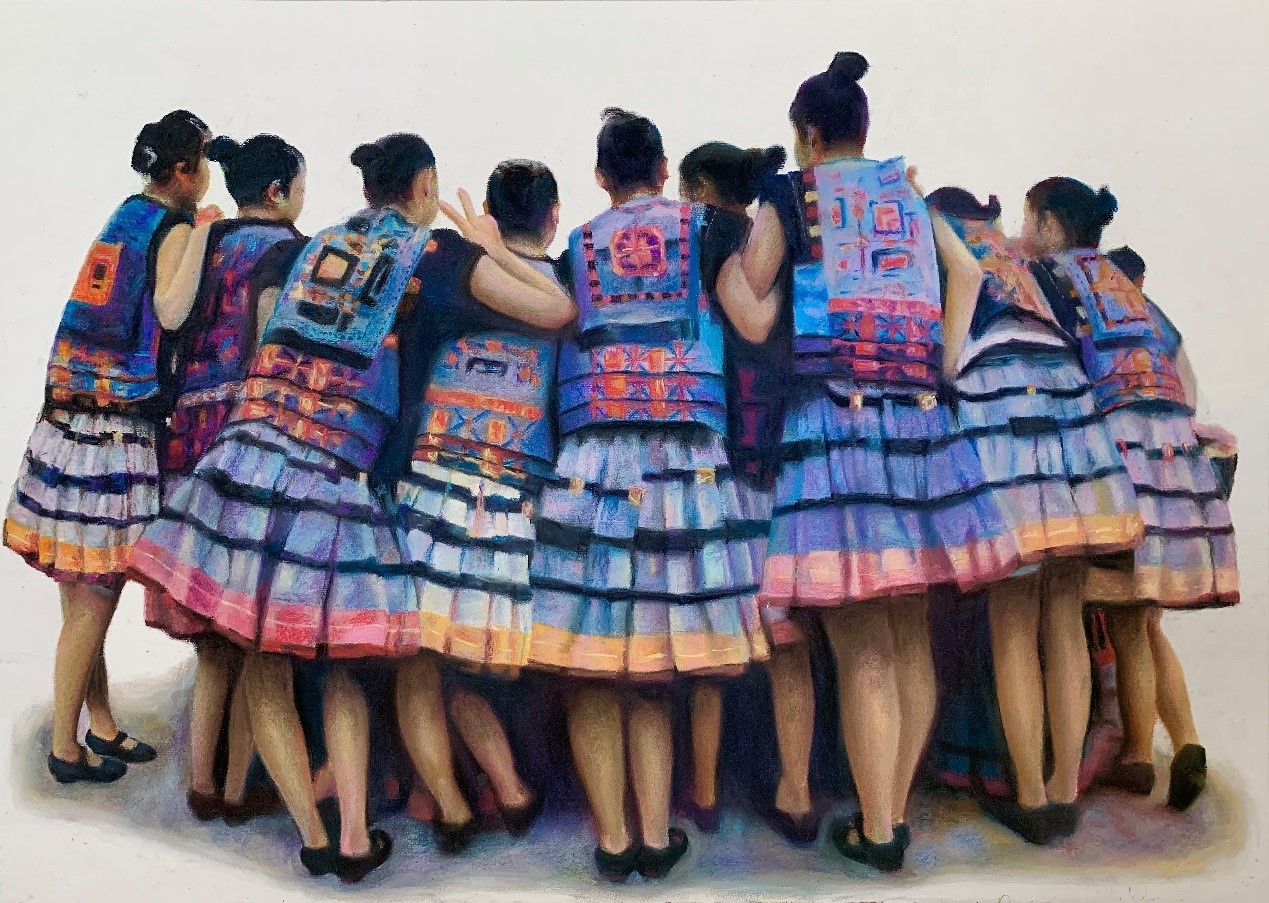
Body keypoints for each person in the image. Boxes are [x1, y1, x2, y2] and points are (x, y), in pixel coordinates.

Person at [129, 133, 571, 882]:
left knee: (265, 658)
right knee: (340, 662)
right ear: (425, 186)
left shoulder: (316, 243)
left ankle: (314, 834)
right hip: (333, 474)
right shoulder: (435, 255)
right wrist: (491, 244)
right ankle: (359, 835)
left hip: (250, 455)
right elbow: (555, 308)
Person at [729, 52, 1020, 871]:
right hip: (918, 429)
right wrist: (942, 361)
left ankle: (881, 828)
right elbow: (967, 271)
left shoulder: (790, 193)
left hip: (834, 425)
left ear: (808, 136)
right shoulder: (909, 195)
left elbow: (751, 301)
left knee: (860, 640)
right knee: (907, 632)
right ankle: (886, 810)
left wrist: (729, 272)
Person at [526, 109, 775, 881]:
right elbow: (750, 323)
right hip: (683, 464)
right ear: (664, 169)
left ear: (600, 177)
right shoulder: (707, 229)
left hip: (592, 460)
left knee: (594, 661)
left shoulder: (575, 248)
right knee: (654, 666)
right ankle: (658, 833)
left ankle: (611, 838)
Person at [924, 187, 1143, 843]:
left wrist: (945, 378)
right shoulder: (1018, 254)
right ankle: (1064, 790)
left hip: (996, 398)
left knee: (1012, 619)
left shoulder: (940, 242)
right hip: (1064, 400)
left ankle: (1029, 795)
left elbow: (951, 329)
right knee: (1064, 612)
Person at [4, 110, 215, 784]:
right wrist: (204, 236)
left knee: (81, 594)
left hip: (67, 420)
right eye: (203, 164)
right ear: (182, 171)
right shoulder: (174, 226)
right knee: (94, 598)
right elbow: (172, 312)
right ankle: (66, 749)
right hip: (116, 428)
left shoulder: (124, 214)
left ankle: (100, 723)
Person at [1026, 180, 1239, 815]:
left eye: (1031, 219)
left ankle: (1124, 760)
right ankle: (1169, 745)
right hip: (1173, 461)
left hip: (1113, 462)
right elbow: (1183, 377)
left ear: (1052, 225)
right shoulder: (1127, 287)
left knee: (1100, 613)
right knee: (1141, 617)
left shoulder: (1050, 280)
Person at [391, 159, 575, 848]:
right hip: (515, 497)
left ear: (493, 216)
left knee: (424, 660)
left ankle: (457, 797)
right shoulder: (564, 281)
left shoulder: (457, 266)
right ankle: (499, 787)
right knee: (461, 659)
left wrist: (484, 247)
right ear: (553, 216)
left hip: (435, 484)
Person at [143, 133, 307, 823]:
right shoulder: (292, 250)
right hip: (248, 438)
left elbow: (171, 319)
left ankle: (200, 783)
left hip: (190, 437)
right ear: (277, 191)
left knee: (214, 639)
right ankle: (238, 786)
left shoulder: (203, 238)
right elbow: (274, 346)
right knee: (252, 629)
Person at [677, 141, 819, 843]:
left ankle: (705, 790)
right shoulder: (781, 231)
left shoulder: (702, 238)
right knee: (788, 639)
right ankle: (796, 791)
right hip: (788, 448)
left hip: (722, 453)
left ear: (700, 187)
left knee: (714, 627)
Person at [1080, 244, 1238, 811]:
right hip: (1180, 488)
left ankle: (1140, 754)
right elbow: (1189, 399)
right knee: (1149, 624)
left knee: (1129, 625)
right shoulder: (1158, 323)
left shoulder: (1092, 317)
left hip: (1130, 484)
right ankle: (1187, 739)